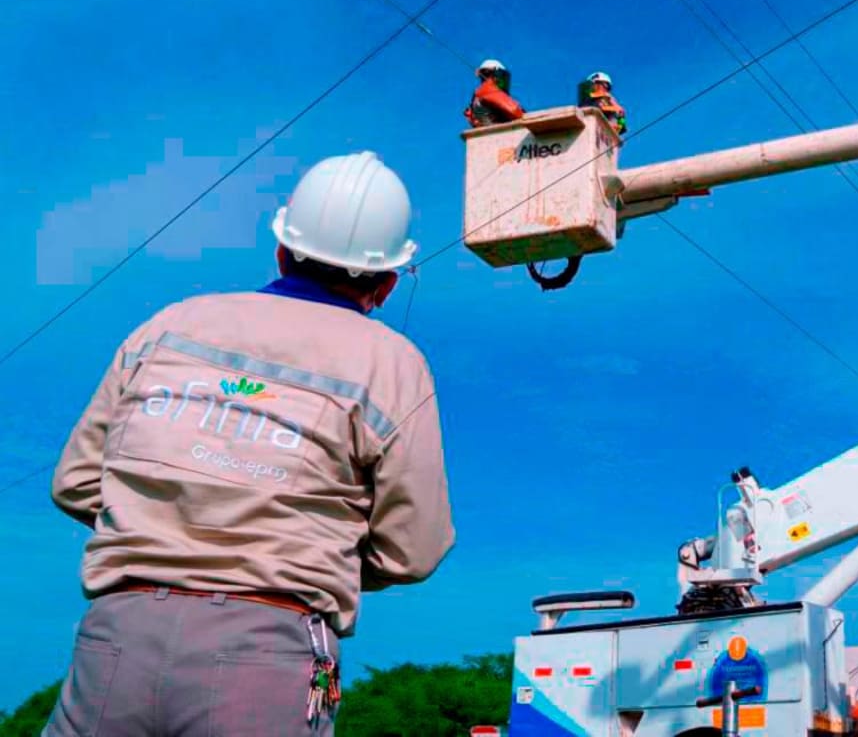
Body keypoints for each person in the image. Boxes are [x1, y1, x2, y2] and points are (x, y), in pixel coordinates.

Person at [43, 151, 455, 736]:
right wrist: (303, 550)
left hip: (115, 636)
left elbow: (77, 482)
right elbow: (413, 551)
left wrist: (173, 521)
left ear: (282, 250)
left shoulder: (172, 325)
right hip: (271, 647)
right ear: (387, 284)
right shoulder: (393, 364)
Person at [464, 58, 525, 127]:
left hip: (489, 130)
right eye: (502, 76)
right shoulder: (488, 89)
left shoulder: (478, 94)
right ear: (496, 75)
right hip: (498, 131)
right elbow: (515, 111)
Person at [578, 71, 627, 135]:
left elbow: (621, 125)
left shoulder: (609, 100)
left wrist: (620, 116)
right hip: (590, 129)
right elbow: (590, 108)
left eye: (607, 87)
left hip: (604, 133)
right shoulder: (586, 100)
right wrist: (612, 108)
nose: (605, 89)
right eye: (603, 85)